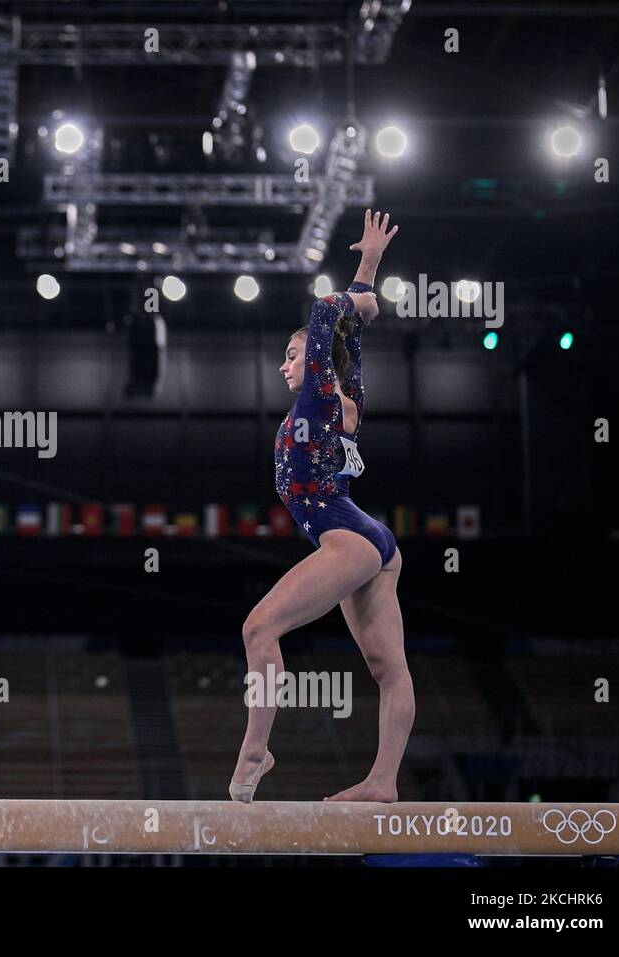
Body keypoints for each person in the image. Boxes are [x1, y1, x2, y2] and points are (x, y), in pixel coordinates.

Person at [229, 209, 414, 803]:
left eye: (292, 355)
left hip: (346, 536)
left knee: (259, 628)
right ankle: (383, 783)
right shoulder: (342, 393)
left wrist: (361, 298)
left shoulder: (317, 397)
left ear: (311, 364)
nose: (285, 364)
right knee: (389, 670)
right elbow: (343, 336)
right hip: (372, 542)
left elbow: (324, 317)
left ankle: (256, 750)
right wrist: (369, 265)